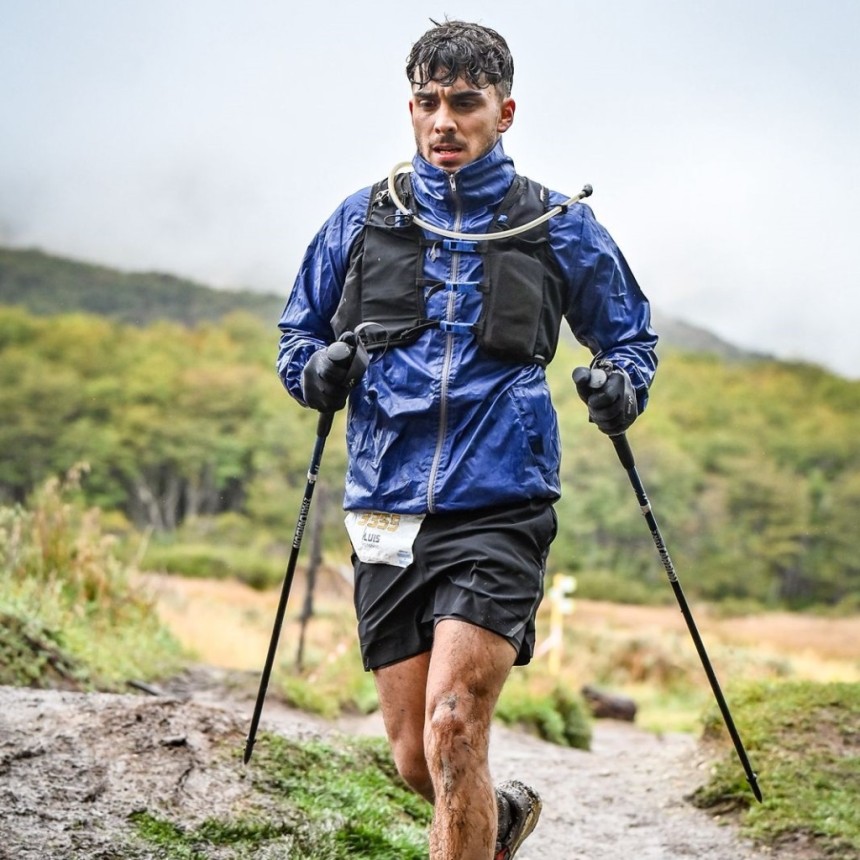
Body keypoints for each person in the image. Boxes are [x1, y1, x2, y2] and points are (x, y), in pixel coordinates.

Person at [276, 18, 658, 860]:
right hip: (385, 506)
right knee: (418, 758)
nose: (442, 120)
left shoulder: (557, 224)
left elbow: (630, 339)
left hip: (501, 505)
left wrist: (619, 387)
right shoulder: (364, 217)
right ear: (410, 108)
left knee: (455, 729)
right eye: (426, 102)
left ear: (504, 112)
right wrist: (316, 373)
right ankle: (502, 822)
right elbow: (296, 336)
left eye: (463, 103)